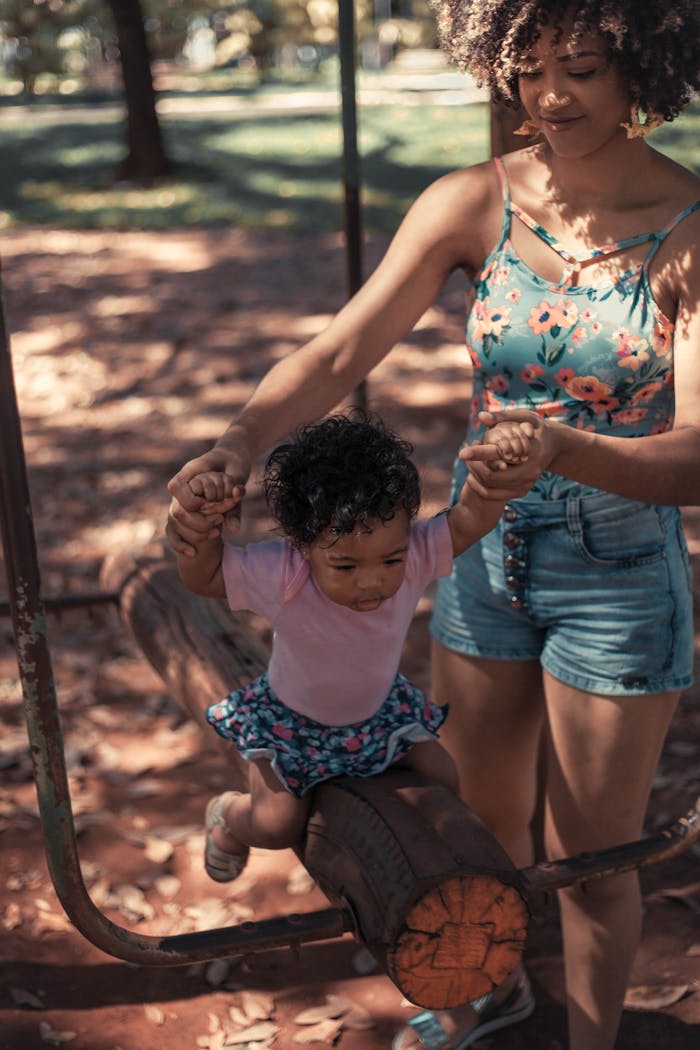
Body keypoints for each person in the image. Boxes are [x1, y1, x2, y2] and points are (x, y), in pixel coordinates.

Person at [166, 2, 700, 1047]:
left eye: (583, 68)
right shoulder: (472, 202)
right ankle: (478, 1008)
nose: (550, 98)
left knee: (591, 853)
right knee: (478, 827)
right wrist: (235, 443)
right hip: (480, 557)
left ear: (643, 63)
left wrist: (562, 449)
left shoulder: (691, 227)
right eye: (528, 70)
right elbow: (335, 354)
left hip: (620, 572)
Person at [176, 411, 532, 884]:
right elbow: (205, 578)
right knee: (276, 824)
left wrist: (493, 481)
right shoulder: (284, 574)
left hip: (378, 715)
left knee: (443, 777)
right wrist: (198, 531)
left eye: (391, 559)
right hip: (292, 727)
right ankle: (226, 816)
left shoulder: (417, 556)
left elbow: (469, 519)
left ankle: (426, 877)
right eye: (345, 567)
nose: (373, 582)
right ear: (303, 548)